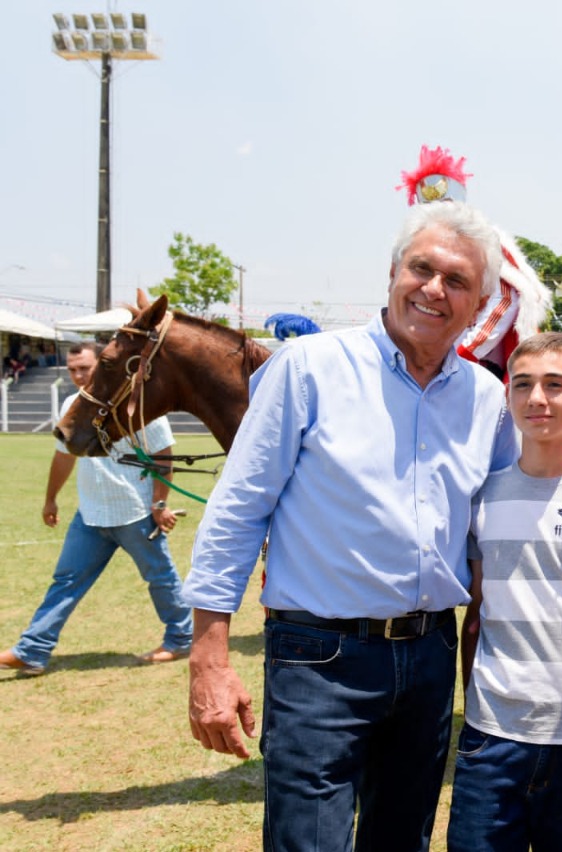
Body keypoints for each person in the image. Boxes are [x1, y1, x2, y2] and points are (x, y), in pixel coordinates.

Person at [182, 201, 517, 851]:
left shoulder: (486, 400)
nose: (433, 289)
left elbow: (504, 517)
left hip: (428, 659)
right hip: (319, 660)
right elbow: (236, 511)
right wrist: (209, 657)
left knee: (402, 839)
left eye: (457, 282)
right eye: (422, 268)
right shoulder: (307, 368)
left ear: (479, 307)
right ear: (392, 271)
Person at [448, 332, 562, 852]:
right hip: (491, 742)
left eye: (555, 385)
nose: (538, 399)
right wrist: (476, 712)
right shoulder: (481, 498)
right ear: (507, 397)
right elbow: (477, 617)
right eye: (524, 385)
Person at [0, 342, 191, 677]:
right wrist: (50, 498)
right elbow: (64, 455)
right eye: (72, 369)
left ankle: (181, 638)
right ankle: (32, 651)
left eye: (85, 368)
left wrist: (160, 504)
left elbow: (164, 456)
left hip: (134, 512)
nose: (77, 376)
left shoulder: (138, 403)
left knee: (159, 577)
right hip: (90, 514)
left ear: (102, 366)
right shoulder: (72, 403)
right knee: (66, 580)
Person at [397, 143, 552, 381]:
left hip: (476, 366)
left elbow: (507, 298)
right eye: (430, 209)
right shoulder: (420, 242)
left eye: (445, 205)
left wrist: (464, 353)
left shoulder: (481, 241)